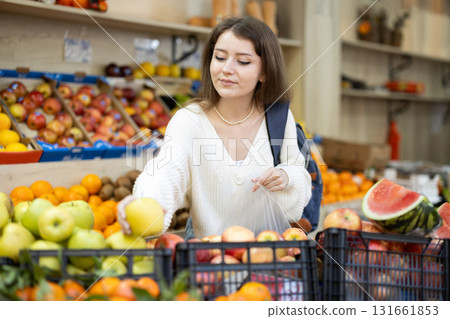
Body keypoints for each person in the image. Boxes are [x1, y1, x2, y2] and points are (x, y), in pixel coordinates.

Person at [117, 16, 312, 240]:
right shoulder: (189, 121)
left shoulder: (278, 117)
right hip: (208, 261)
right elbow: (166, 170)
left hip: (266, 258)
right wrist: (143, 201)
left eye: (243, 62)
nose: (226, 69)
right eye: (219, 57)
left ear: (264, 72)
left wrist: (286, 176)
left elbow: (301, 179)